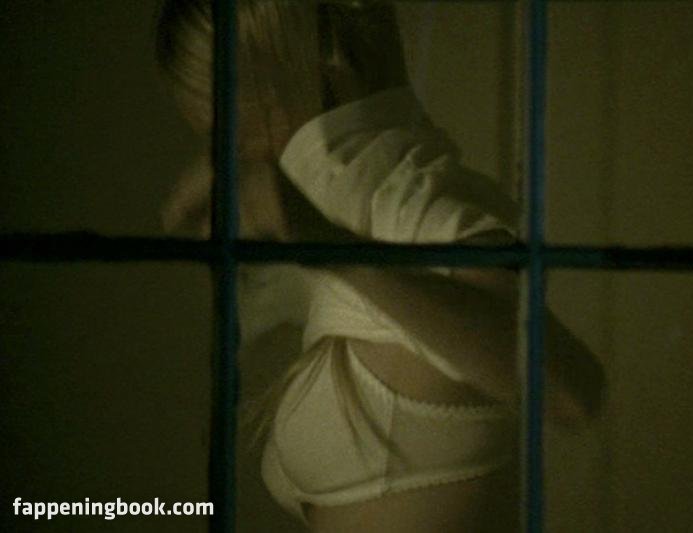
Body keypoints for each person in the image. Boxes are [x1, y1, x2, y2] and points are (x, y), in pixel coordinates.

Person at [155, 1, 605, 531]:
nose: (230, 153)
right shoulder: (354, 207)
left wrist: (323, 242)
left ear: (322, 63)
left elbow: (567, 390)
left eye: (234, 127)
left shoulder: (403, 203)